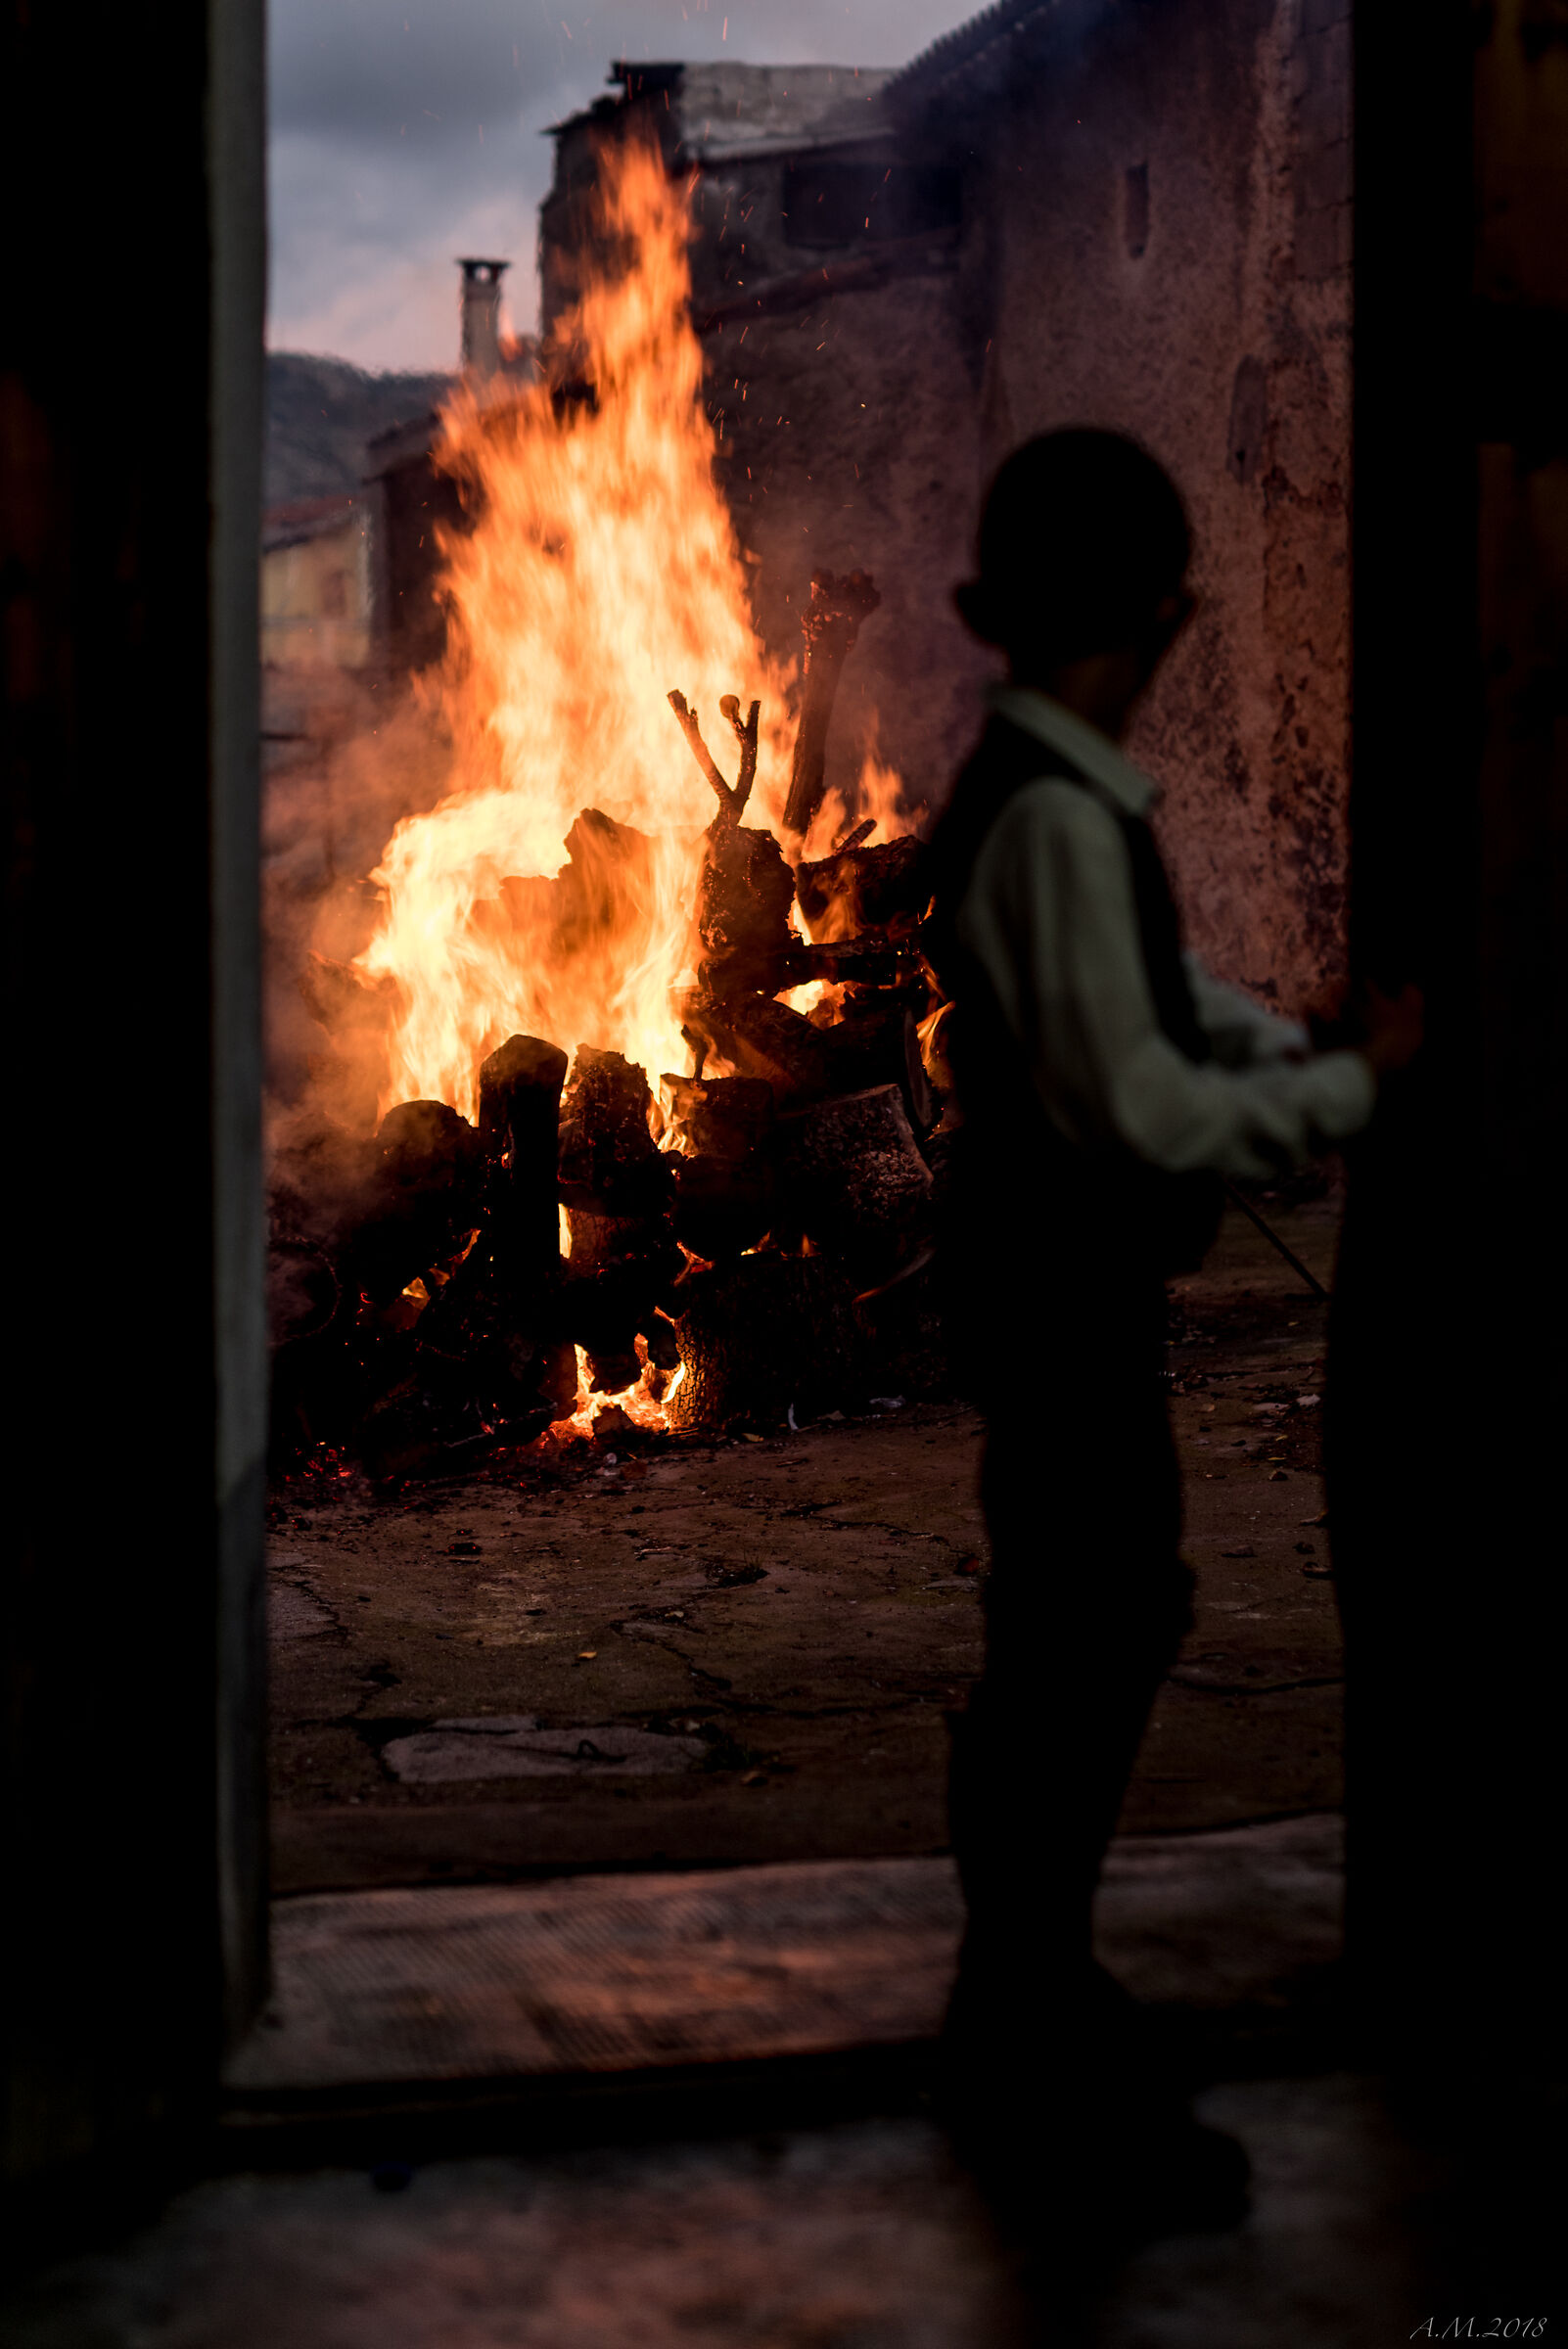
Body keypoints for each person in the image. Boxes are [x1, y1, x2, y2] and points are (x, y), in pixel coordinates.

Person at [927, 429, 1421, 2238]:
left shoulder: (1051, 798)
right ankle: (1027, 2011)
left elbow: (1159, 1007)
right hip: (1060, 1295)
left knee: (1093, 1609)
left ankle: (1028, 1991)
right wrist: (1337, 1102)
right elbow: (1130, 1095)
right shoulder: (1057, 818)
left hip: (1057, 1292)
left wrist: (1286, 1047)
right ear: (1164, 617)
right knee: (1089, 1620)